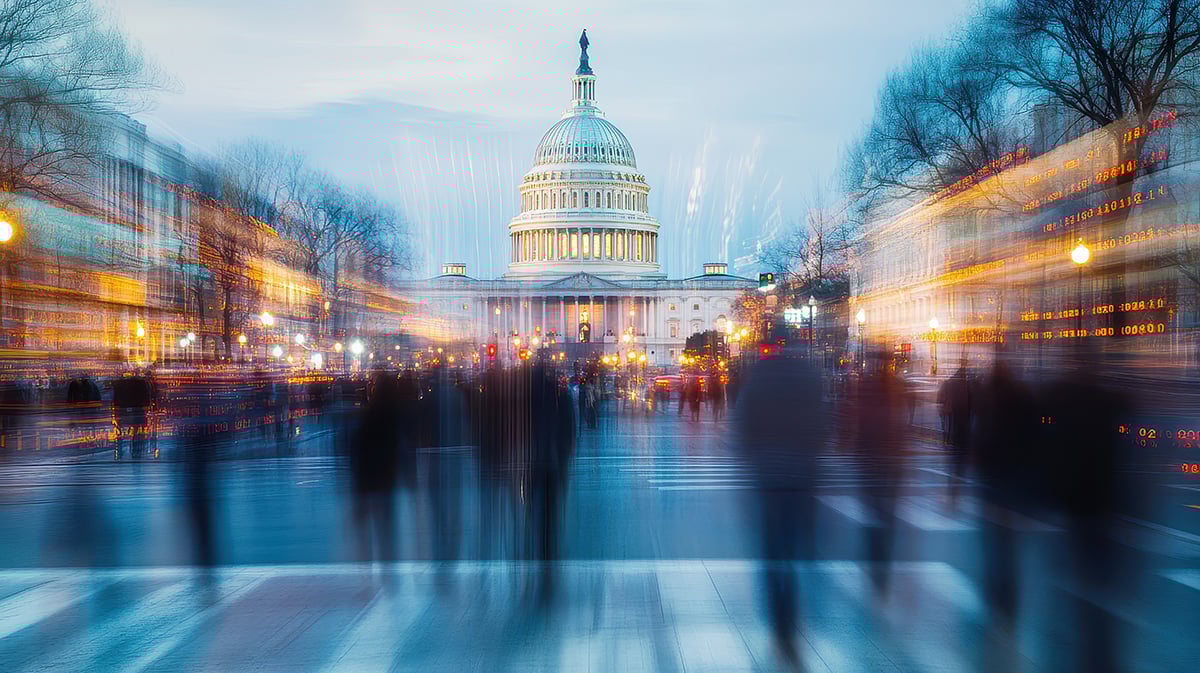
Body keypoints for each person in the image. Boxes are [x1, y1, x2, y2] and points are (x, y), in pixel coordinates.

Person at [735, 348, 825, 667]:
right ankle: (792, 613)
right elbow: (824, 426)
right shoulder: (810, 377)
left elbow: (743, 428)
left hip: (769, 476)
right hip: (802, 476)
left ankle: (780, 620)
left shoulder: (758, 379)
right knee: (794, 549)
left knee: (773, 553)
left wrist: (750, 461)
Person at [937, 360, 972, 506]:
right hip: (961, 412)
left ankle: (949, 440)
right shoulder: (965, 384)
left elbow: (941, 396)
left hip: (952, 410)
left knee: (949, 426)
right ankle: (955, 441)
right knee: (957, 429)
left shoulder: (950, 382)